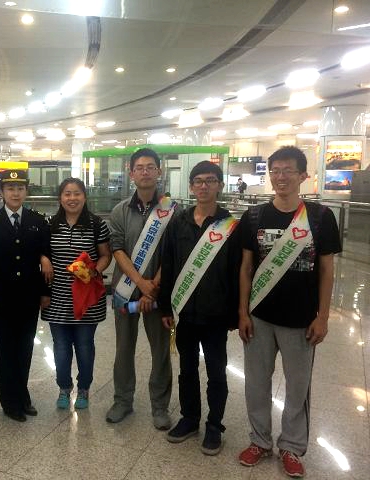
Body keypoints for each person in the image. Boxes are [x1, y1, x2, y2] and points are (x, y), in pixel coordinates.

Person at [237, 146, 341, 478]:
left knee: (298, 386)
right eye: (275, 170)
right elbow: (246, 268)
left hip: (301, 320)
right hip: (260, 317)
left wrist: (322, 316)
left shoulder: (320, 217)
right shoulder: (254, 217)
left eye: (288, 171)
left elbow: (326, 270)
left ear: (303, 176)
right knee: (256, 383)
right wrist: (243, 312)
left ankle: (292, 446)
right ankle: (259, 441)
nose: (280, 177)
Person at [159, 161, 241, 455]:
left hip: (216, 313)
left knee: (217, 372)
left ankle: (215, 425)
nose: (204, 186)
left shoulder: (231, 225)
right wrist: (166, 307)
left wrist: (235, 312)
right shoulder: (178, 222)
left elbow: (237, 271)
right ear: (191, 186)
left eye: (210, 180)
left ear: (220, 185)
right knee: (187, 368)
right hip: (184, 312)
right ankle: (190, 418)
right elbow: (168, 265)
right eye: (198, 181)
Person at [106, 147, 175, 429]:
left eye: (150, 167)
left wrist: (153, 286)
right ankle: (123, 401)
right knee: (123, 349)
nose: (145, 172)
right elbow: (117, 249)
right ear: (131, 173)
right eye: (139, 168)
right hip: (125, 292)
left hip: (159, 293)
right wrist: (140, 283)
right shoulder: (120, 210)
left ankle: (160, 406)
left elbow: (174, 253)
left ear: (159, 171)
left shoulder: (173, 211)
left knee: (160, 351)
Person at [0, 169, 51, 422]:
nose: (15, 193)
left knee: (25, 349)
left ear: (26, 191)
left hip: (29, 297)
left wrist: (45, 292)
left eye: (20, 188)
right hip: (2, 299)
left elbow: (46, 258)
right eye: (10, 188)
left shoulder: (38, 221)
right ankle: (9, 403)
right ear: (1, 192)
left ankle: (22, 395)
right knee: (6, 350)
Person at [41, 178, 112, 410]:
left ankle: (84, 388)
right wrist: (44, 259)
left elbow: (106, 255)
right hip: (57, 297)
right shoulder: (50, 224)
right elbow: (41, 251)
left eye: (77, 193)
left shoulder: (96, 224)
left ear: (85, 196)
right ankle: (64, 387)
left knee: (84, 346)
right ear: (60, 198)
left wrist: (94, 271)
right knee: (61, 347)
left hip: (87, 297)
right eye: (67, 194)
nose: (72, 198)